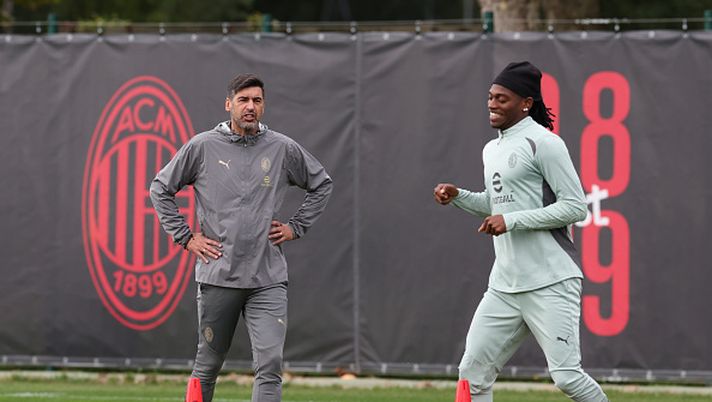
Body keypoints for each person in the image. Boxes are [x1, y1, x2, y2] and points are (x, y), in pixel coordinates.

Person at [150, 73, 333, 402]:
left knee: (271, 364)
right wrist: (186, 237)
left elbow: (322, 184)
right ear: (229, 104)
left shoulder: (282, 147)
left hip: (267, 278)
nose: (250, 107)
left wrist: (295, 226)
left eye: (257, 101)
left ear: (264, 106)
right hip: (219, 274)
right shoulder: (202, 146)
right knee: (207, 365)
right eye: (244, 100)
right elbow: (160, 188)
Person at [433, 61, 608, 402]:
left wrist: (511, 221)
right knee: (472, 375)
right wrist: (459, 197)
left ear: (526, 103)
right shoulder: (492, 148)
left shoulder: (544, 143)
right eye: (490, 97)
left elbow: (575, 207)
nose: (492, 104)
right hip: (505, 284)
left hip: (550, 279)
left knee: (567, 377)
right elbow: (497, 204)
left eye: (502, 98)